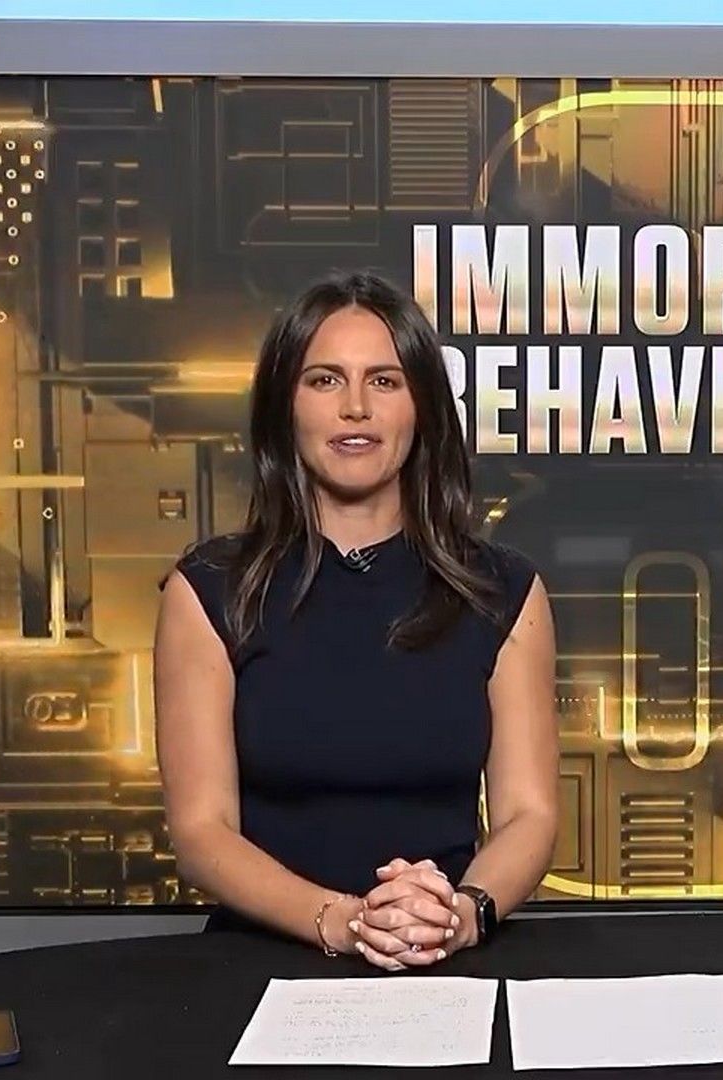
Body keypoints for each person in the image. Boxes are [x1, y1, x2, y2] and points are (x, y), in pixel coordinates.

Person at [155, 269, 558, 970]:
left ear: (421, 407)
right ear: (285, 406)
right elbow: (200, 831)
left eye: (384, 381)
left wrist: (461, 915)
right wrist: (343, 922)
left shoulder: (503, 592)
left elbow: (530, 814)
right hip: (259, 967)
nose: (355, 408)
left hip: (443, 958)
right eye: (324, 380)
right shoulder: (210, 592)